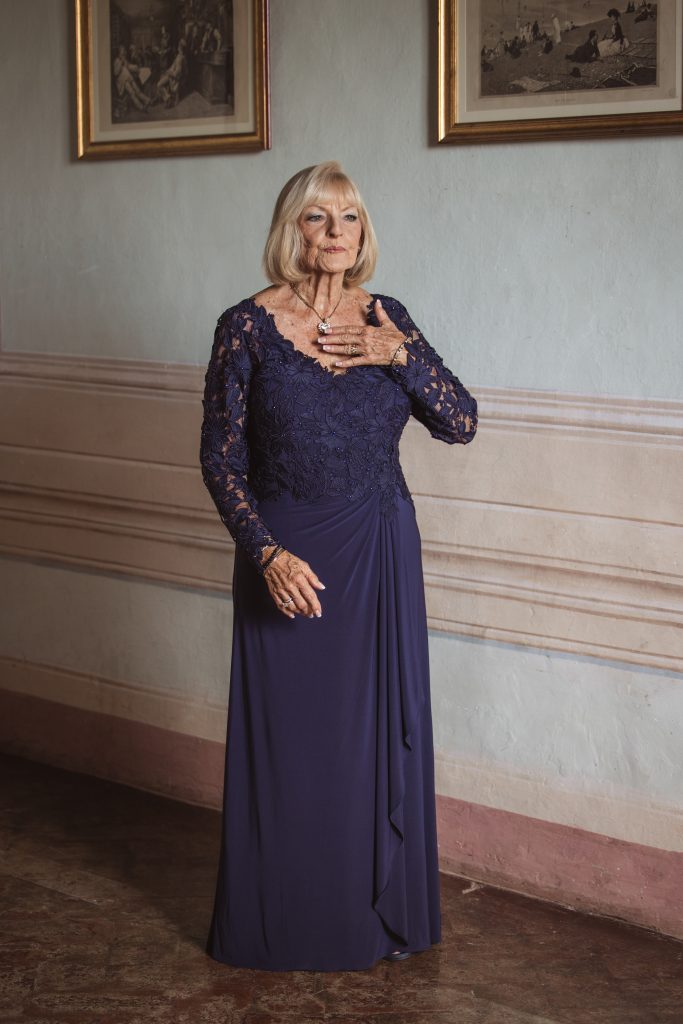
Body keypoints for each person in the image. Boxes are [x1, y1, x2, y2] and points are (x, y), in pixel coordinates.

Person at [200, 161, 478, 972]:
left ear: (363, 233)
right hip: (288, 553)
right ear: (291, 230)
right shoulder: (245, 327)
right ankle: (283, 923)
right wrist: (265, 553)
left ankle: (375, 919)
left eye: (348, 219)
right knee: (294, 747)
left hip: (380, 546)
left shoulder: (389, 318)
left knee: (371, 743)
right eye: (317, 219)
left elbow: (459, 421)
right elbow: (220, 461)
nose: (334, 234)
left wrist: (397, 354)